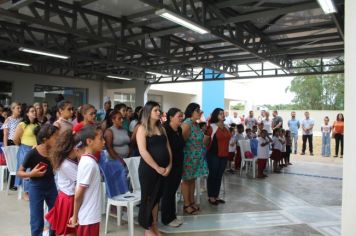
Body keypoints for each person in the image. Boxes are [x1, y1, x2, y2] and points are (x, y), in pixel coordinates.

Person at [136, 101, 172, 236]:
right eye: (156, 110)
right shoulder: (142, 128)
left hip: (163, 170)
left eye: (159, 110)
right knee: (149, 198)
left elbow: (168, 148)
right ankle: (148, 228)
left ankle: (154, 226)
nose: (159, 112)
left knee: (156, 199)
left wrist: (169, 165)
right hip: (149, 170)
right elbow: (143, 151)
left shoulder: (161, 128)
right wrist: (157, 167)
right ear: (148, 112)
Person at [16, 124, 59, 236]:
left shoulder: (54, 151)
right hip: (36, 187)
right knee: (37, 220)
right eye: (55, 136)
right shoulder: (32, 154)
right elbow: (19, 172)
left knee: (55, 215)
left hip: (51, 185)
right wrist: (31, 173)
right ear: (45, 139)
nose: (58, 138)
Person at [45, 129, 83, 236]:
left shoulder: (71, 160)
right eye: (80, 146)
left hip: (67, 197)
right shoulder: (66, 164)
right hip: (69, 199)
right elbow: (81, 180)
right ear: (73, 148)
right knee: (70, 231)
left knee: (71, 230)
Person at [68, 125, 105, 236]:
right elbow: (79, 194)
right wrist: (75, 216)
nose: (104, 142)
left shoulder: (88, 161)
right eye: (101, 139)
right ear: (89, 141)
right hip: (88, 217)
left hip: (90, 215)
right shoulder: (88, 163)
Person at [181, 103, 208, 215]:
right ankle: (186, 204)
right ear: (191, 111)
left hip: (196, 158)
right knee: (187, 181)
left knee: (192, 180)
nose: (200, 112)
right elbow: (181, 142)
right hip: (188, 158)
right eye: (197, 110)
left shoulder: (195, 124)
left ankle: (191, 202)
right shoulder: (187, 124)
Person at [161, 108, 185, 227]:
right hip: (169, 165)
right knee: (168, 192)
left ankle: (173, 216)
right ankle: (167, 218)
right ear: (171, 117)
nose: (181, 118)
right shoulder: (165, 130)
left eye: (182, 116)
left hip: (179, 164)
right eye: (179, 116)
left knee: (173, 191)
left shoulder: (179, 130)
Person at [205, 108, 231, 205]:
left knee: (219, 176)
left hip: (224, 155)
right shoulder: (212, 127)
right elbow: (205, 141)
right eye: (220, 114)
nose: (223, 115)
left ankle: (216, 196)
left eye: (223, 113)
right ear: (216, 116)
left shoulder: (227, 127)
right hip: (213, 155)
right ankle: (211, 196)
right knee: (213, 175)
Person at [14, 105, 39, 200]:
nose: (34, 112)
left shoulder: (38, 125)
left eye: (35, 111)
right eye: (32, 111)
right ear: (27, 113)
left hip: (35, 150)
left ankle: (32, 190)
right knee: (27, 170)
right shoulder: (22, 124)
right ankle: (26, 193)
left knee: (34, 169)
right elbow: (16, 139)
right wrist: (23, 147)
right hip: (25, 149)